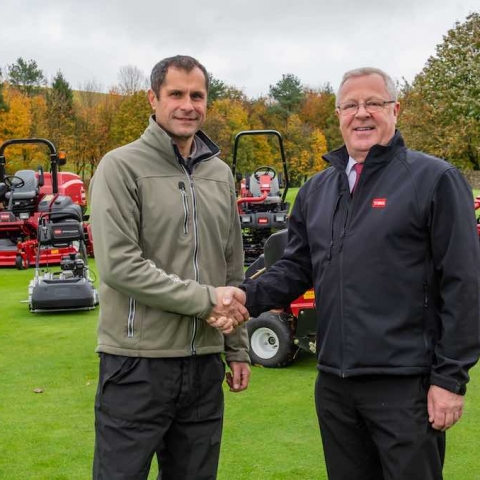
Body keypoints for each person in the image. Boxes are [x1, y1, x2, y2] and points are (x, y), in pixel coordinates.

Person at [238, 67, 480, 479]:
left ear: (395, 110)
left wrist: (450, 379)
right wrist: (244, 297)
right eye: (351, 105)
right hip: (334, 383)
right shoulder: (317, 189)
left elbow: (464, 284)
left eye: (374, 103)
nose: (361, 113)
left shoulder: (434, 179)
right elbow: (296, 268)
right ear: (338, 115)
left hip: (405, 385)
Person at [89, 54, 251, 480]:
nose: (188, 105)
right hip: (137, 364)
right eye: (176, 94)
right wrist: (204, 301)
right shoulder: (120, 167)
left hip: (203, 366)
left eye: (197, 95)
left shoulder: (220, 173)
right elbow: (120, 266)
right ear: (153, 98)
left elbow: (231, 267)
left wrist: (236, 347)